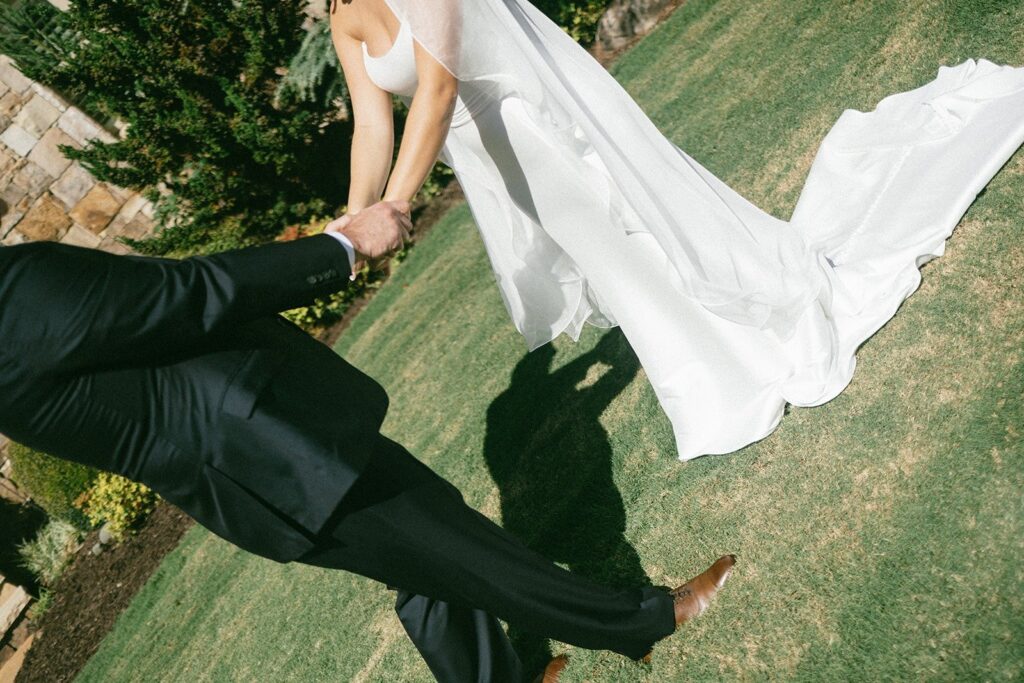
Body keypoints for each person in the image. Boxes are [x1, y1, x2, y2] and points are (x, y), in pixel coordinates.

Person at [0, 202, 734, 682]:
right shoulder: (14, 295)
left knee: (421, 557)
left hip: (244, 474)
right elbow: (188, 294)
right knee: (453, 544)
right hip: (269, 443)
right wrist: (339, 247)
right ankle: (639, 622)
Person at [328, 0, 1024, 461]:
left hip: (545, 134)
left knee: (642, 244)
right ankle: (713, 388)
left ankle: (749, 359)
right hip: (502, 167)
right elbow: (371, 120)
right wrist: (355, 224)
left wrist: (396, 205)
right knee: (621, 275)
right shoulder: (341, 13)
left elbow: (441, 86)